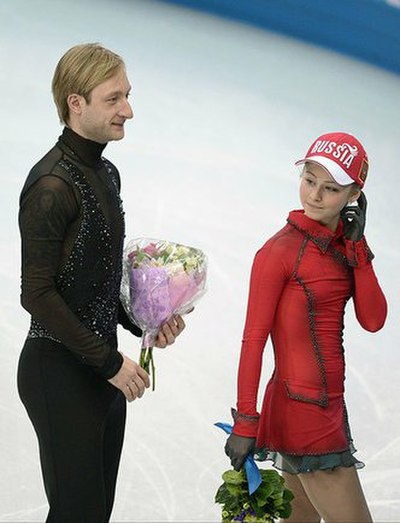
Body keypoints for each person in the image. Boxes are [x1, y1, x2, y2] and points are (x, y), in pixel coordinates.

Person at [17, 43, 186, 523]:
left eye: (127, 96)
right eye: (113, 99)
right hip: (58, 371)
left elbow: (93, 283)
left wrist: (144, 322)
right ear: (76, 103)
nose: (128, 110)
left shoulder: (106, 172)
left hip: (102, 376)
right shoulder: (51, 186)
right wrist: (109, 361)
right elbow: (38, 294)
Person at [224, 132, 387, 522]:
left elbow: (374, 319)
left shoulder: (343, 248)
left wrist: (359, 247)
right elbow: (252, 340)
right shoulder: (279, 252)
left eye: (330, 188)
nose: (314, 195)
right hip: (305, 414)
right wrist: (247, 419)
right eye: (309, 180)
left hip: (326, 405)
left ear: (353, 196)